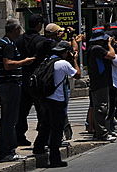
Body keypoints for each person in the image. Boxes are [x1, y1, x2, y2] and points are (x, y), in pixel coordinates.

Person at [32, 40, 80, 168]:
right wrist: (74, 60)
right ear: (65, 53)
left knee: (45, 125)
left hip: (45, 98)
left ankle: (38, 147)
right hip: (57, 100)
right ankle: (54, 159)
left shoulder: (47, 60)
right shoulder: (63, 63)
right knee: (56, 130)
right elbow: (78, 74)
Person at [0, 18, 36, 163]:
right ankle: (7, 151)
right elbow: (7, 64)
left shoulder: (4, 43)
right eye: (19, 29)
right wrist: (25, 61)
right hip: (10, 85)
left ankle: (6, 150)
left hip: (6, 85)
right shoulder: (8, 45)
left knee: (7, 120)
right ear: (14, 30)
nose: (21, 32)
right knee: (10, 120)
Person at [15, 14, 47, 147]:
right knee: (42, 110)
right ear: (38, 24)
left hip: (23, 78)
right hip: (38, 79)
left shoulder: (19, 40)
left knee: (22, 111)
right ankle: (42, 137)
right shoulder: (41, 41)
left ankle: (19, 136)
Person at [86, 30, 116, 142]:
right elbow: (112, 56)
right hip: (100, 82)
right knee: (101, 108)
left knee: (99, 107)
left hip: (98, 81)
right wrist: (109, 45)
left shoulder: (92, 49)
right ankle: (102, 133)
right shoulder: (96, 49)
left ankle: (98, 132)